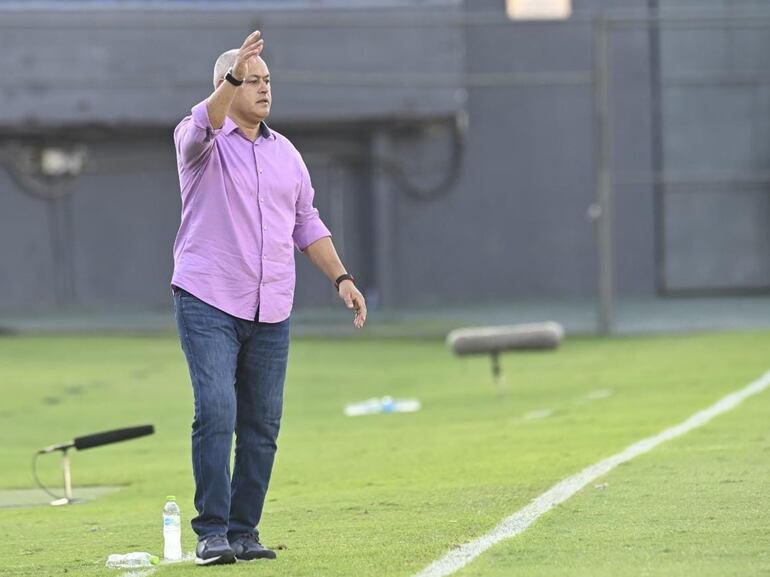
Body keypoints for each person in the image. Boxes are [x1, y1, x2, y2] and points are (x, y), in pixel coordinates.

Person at [171, 30, 367, 566]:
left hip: (271, 307)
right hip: (207, 298)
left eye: (267, 81)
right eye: (251, 81)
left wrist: (342, 278)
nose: (263, 90)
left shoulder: (287, 155)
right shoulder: (199, 141)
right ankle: (211, 533)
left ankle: (243, 531)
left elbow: (307, 224)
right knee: (216, 408)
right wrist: (232, 75)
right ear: (225, 85)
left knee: (262, 423)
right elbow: (201, 126)